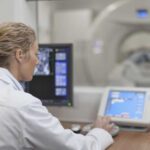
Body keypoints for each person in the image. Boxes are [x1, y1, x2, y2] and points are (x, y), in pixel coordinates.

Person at [0, 22, 114, 150]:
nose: (37, 61)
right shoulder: (22, 105)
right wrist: (100, 131)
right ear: (20, 55)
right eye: (36, 54)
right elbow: (81, 148)